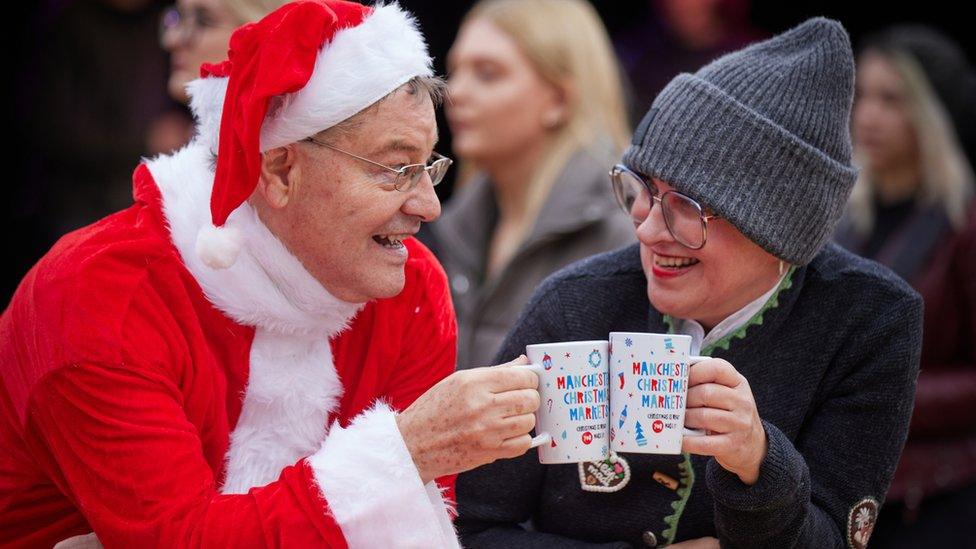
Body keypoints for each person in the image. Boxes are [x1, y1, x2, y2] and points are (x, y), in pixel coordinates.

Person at [0, 1, 541, 547]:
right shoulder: (98, 297)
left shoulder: (411, 286)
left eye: (429, 165)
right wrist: (403, 454)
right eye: (396, 168)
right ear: (280, 171)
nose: (429, 206)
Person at [456, 18, 922, 548]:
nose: (649, 229)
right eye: (643, 190)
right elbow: (466, 525)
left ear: (780, 232)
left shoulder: (870, 318)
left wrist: (758, 463)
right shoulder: (576, 304)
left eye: (685, 206)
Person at [424, 0, 635, 368]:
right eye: (454, 71)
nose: (455, 92)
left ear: (558, 99)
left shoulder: (625, 226)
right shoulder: (446, 223)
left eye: (487, 74)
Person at [836, 25, 976, 548]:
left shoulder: (963, 226)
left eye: (891, 99)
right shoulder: (841, 219)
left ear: (930, 113)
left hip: (934, 492)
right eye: (863, 95)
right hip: (845, 484)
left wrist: (892, 397)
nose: (868, 115)